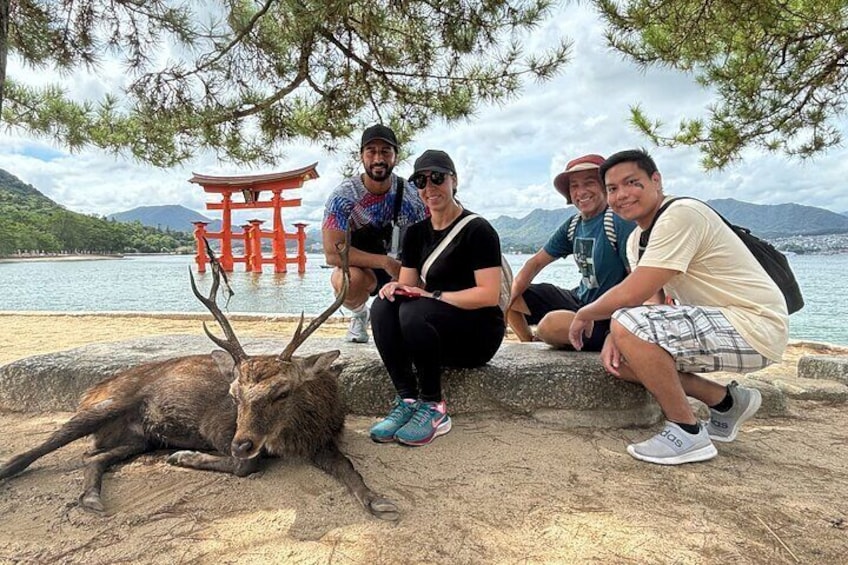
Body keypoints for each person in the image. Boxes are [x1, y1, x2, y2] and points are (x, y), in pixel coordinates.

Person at [568, 149, 788, 465]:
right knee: (623, 360)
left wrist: (587, 313)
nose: (622, 194)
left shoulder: (682, 214)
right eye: (613, 189)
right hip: (720, 325)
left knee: (628, 327)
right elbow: (651, 299)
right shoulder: (637, 239)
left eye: (632, 182)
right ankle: (727, 403)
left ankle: (686, 432)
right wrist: (617, 336)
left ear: (656, 181)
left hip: (753, 325)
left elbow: (635, 291)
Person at [368, 149, 505, 447]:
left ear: (454, 181)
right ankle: (406, 398)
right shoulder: (416, 233)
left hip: (477, 334)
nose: (430, 188)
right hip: (435, 332)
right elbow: (407, 287)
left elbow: (489, 294)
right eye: (421, 181)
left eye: (437, 178)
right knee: (383, 306)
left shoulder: (478, 230)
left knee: (415, 312)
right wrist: (394, 289)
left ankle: (433, 407)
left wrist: (431, 295)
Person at [507, 154, 636, 349]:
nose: (581, 191)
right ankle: (528, 343)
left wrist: (621, 332)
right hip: (579, 301)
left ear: (604, 186)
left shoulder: (618, 221)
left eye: (589, 183)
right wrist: (504, 305)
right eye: (574, 186)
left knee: (550, 327)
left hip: (607, 315)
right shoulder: (574, 225)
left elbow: (636, 281)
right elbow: (534, 263)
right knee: (509, 292)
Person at [322, 124, 428, 343]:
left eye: (385, 152)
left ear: (395, 157)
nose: (378, 158)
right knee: (345, 280)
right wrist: (385, 262)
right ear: (362, 156)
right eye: (371, 151)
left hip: (405, 270)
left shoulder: (413, 196)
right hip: (366, 268)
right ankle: (360, 315)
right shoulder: (343, 197)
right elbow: (332, 253)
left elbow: (430, 237)